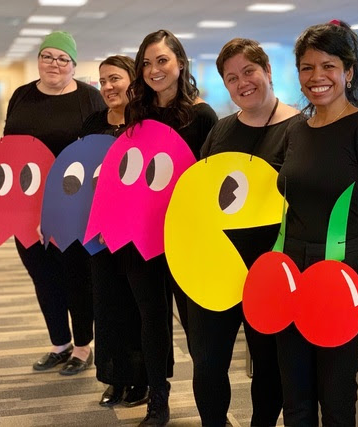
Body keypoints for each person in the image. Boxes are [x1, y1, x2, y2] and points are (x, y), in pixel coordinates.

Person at [276, 21, 358, 426]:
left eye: (327, 66)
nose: (317, 78)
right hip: (291, 269)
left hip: (346, 271)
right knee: (294, 395)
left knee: (336, 396)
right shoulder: (296, 129)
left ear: (348, 71)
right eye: (307, 68)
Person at [192, 38, 301, 427]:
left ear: (268, 71)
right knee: (207, 361)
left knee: (268, 363)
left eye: (249, 71)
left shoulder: (300, 129)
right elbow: (202, 197)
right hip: (219, 268)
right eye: (232, 78)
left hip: (270, 269)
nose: (243, 83)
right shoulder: (221, 131)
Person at [125, 29, 218, 426]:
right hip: (142, 233)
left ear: (180, 63)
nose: (153, 70)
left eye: (162, 60)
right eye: (145, 63)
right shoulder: (137, 114)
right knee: (151, 318)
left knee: (197, 327)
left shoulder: (201, 115)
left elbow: (209, 180)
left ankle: (212, 406)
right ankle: (158, 400)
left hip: (186, 235)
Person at [3, 31, 105, 375]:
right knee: (42, 274)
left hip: (73, 206)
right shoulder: (21, 95)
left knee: (75, 276)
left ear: (73, 65)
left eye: (63, 59)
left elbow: (101, 153)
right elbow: (8, 147)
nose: (54, 64)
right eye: (48, 56)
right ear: (38, 60)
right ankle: (58, 343)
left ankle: (81, 346)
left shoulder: (90, 99)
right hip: (26, 204)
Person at [80, 55, 151, 408]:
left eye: (115, 79)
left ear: (132, 81)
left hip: (138, 230)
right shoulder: (93, 122)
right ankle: (115, 377)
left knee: (137, 307)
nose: (108, 87)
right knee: (106, 305)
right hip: (99, 232)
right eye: (103, 81)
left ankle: (141, 380)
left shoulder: (147, 122)